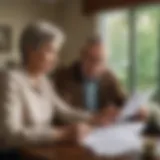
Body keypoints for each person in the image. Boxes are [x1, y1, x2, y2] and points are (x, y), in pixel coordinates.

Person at [0, 22, 94, 159]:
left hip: (39, 150)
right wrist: (63, 133)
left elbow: (64, 111)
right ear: (30, 51)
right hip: (14, 154)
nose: (56, 59)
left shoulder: (44, 80)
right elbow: (12, 136)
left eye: (57, 52)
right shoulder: (10, 79)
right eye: (50, 51)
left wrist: (95, 118)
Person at [54, 37, 126, 126]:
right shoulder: (64, 77)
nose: (94, 65)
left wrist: (136, 110)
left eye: (100, 60)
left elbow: (122, 101)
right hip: (75, 130)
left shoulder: (109, 76)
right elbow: (63, 114)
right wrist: (97, 116)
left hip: (103, 129)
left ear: (105, 62)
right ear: (81, 56)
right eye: (90, 59)